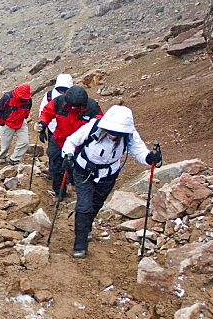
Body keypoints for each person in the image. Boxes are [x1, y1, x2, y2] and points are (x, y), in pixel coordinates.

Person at [61, 105, 161, 258]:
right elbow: (71, 142)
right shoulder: (93, 127)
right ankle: (80, 244)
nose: (113, 136)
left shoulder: (129, 134)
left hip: (108, 175)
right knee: (84, 206)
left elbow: (139, 150)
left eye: (117, 133)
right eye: (111, 132)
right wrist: (68, 156)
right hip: (84, 171)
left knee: (96, 204)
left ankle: (86, 228)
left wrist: (149, 158)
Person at [37, 85, 101, 196]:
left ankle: (77, 185)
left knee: (77, 167)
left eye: (75, 107)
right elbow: (47, 113)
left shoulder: (92, 108)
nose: (72, 108)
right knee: (56, 166)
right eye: (70, 105)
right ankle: (59, 191)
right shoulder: (58, 102)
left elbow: (99, 124)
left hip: (80, 145)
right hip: (59, 139)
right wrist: (42, 124)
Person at [0, 83, 33, 165]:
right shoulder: (7, 97)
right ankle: (2, 157)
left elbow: (28, 109)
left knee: (24, 142)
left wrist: (25, 116)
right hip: (7, 123)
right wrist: (1, 122)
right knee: (5, 145)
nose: (24, 99)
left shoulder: (28, 99)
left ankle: (14, 159)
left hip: (21, 122)